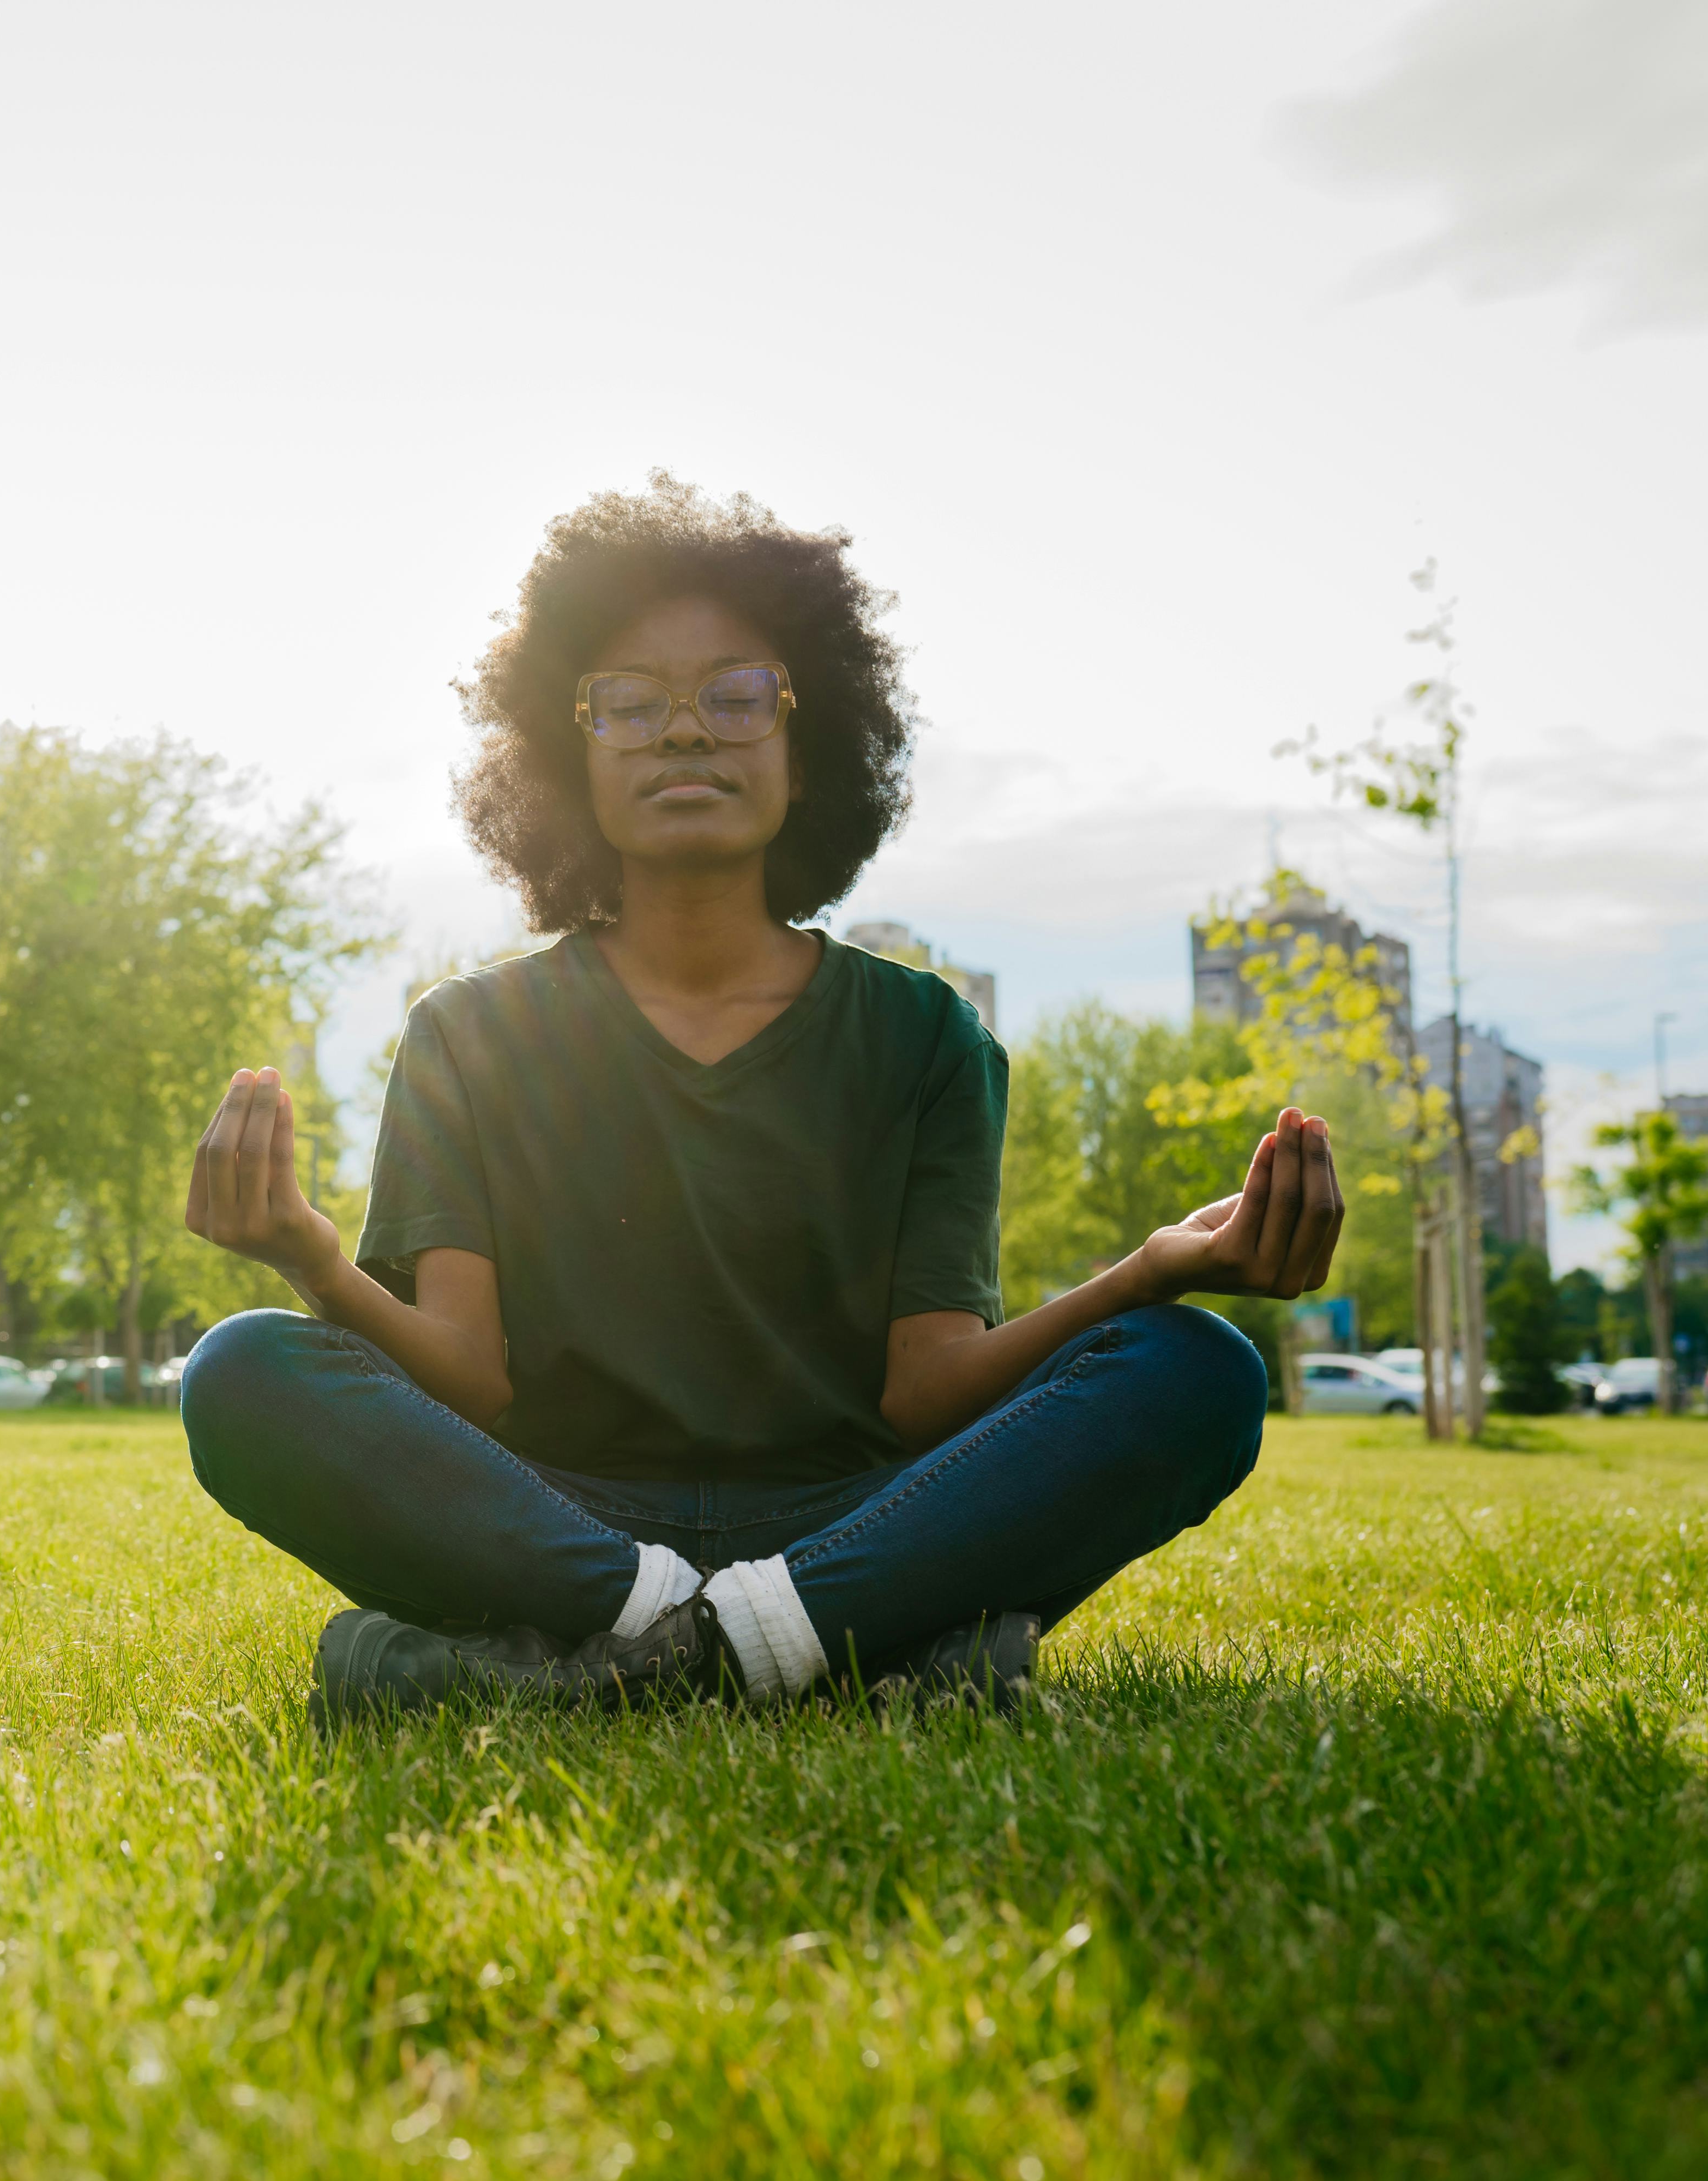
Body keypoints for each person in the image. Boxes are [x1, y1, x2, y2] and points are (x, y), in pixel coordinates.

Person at [178, 479, 1340, 1721]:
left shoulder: (927, 1034)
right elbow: (471, 1383)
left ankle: (615, 1658)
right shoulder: (469, 1032)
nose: (686, 732)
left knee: (1198, 1371)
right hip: (556, 1517)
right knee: (242, 1371)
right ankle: (834, 1649)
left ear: (811, 741)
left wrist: (1150, 1270)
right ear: (567, 753)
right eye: (628, 703)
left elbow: (926, 1390)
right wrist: (308, 1256)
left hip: (855, 1518)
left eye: (737, 695)